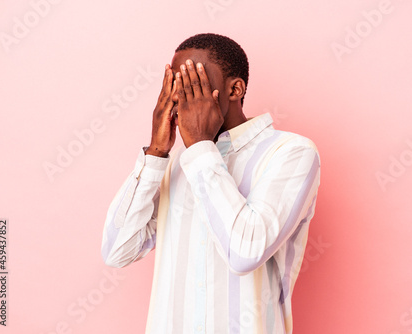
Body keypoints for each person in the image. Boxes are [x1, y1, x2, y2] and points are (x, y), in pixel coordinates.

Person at [101, 33, 321, 334]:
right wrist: (156, 152)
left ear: (235, 89)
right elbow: (117, 251)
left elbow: (245, 253)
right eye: (176, 85)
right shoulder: (174, 163)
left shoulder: (290, 153)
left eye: (195, 83)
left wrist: (201, 146)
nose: (181, 97)